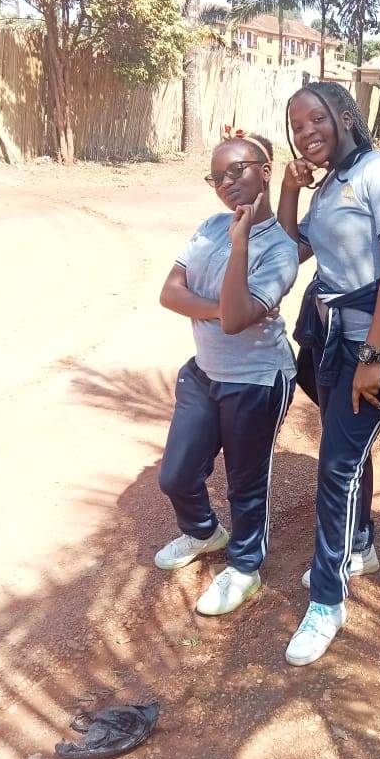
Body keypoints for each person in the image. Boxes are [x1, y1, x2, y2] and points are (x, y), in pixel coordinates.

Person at [278, 81, 380, 666]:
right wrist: (289, 189)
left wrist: (372, 357)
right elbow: (291, 249)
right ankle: (359, 543)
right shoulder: (331, 184)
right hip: (335, 339)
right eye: (297, 125)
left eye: (316, 118)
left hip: (374, 343)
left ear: (344, 115)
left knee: (336, 466)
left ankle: (327, 600)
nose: (306, 132)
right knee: (345, 453)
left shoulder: (379, 173)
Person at [154, 134, 298, 616]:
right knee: (176, 474)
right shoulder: (211, 225)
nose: (227, 183)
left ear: (266, 170)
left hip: (256, 379)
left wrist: (241, 244)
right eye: (218, 178)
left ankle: (244, 566)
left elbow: (237, 322)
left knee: (245, 483)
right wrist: (223, 308)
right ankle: (203, 532)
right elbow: (170, 294)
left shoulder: (279, 250)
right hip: (205, 372)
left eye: (238, 171)